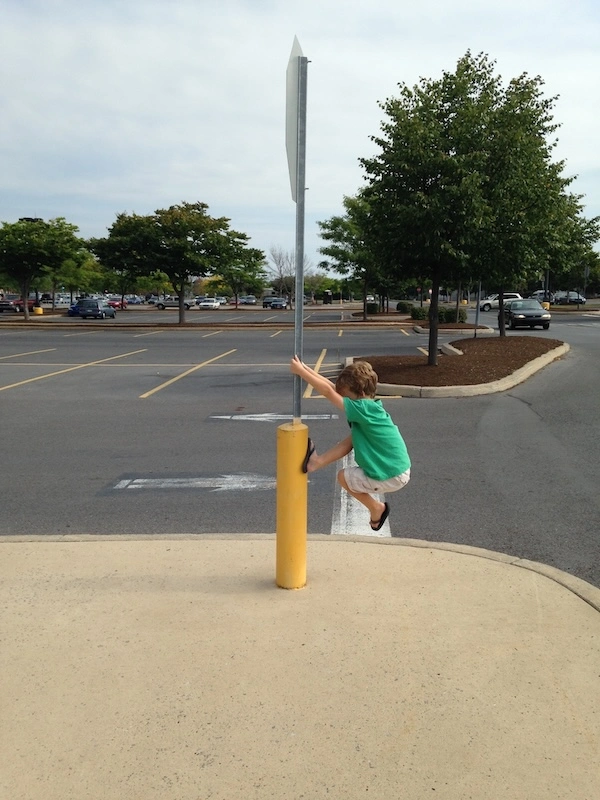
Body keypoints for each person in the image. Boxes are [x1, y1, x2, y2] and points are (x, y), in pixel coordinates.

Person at [290, 356, 411, 531]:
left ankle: (377, 508)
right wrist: (305, 369)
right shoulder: (369, 407)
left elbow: (328, 392)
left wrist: (300, 372)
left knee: (343, 477)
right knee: (354, 437)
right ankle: (316, 462)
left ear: (360, 394)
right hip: (397, 469)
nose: (343, 401)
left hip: (392, 474)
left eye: (346, 398)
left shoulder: (362, 408)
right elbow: (333, 389)